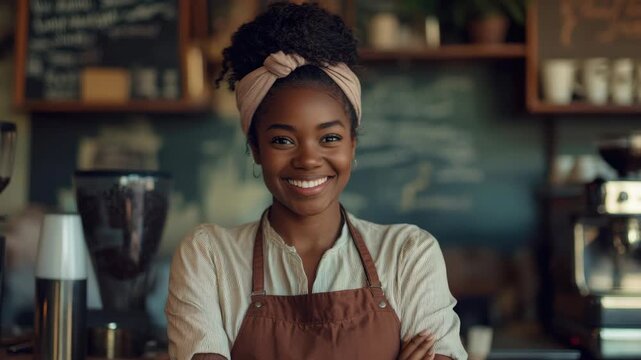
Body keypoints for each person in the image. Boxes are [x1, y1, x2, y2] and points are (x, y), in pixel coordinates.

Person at [165, 2, 467, 360]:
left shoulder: (408, 255)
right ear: (256, 148)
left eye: (330, 138)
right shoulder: (210, 258)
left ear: (353, 144)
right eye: (282, 140)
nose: (308, 159)